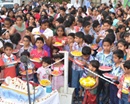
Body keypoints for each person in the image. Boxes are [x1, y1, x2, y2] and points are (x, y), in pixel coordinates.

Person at [96, 38, 113, 104]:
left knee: (106, 90)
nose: (106, 47)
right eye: (104, 45)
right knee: (98, 89)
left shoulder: (112, 55)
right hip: (99, 73)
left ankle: (104, 102)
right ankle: (97, 102)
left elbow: (114, 66)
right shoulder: (99, 54)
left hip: (108, 75)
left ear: (111, 45)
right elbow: (96, 64)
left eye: (108, 45)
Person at [71, 32, 87, 98]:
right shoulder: (74, 45)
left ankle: (80, 93)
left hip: (82, 66)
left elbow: (87, 55)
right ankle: (74, 94)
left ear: (81, 39)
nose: (75, 39)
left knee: (82, 80)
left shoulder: (86, 46)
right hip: (75, 65)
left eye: (76, 38)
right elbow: (72, 53)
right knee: (74, 80)